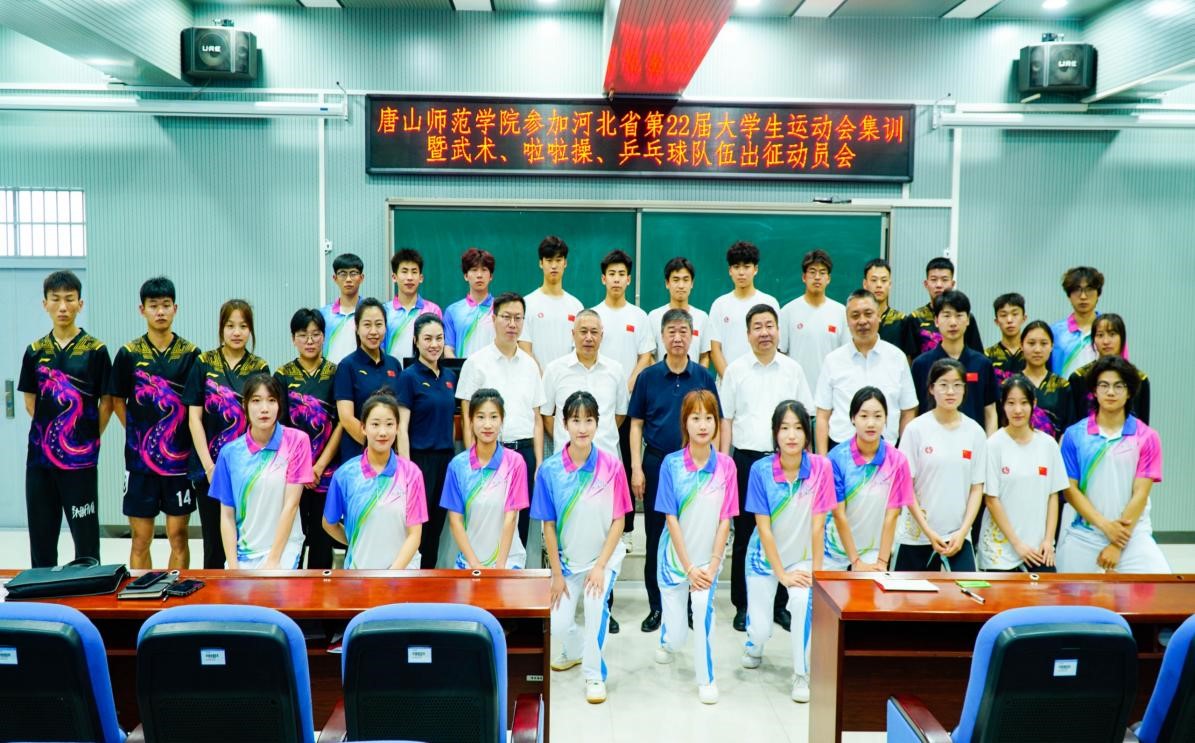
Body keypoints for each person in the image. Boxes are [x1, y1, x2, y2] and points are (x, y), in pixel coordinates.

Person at [718, 304, 813, 632]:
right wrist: (725, 464)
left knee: (785, 532)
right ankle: (743, 604)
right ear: (747, 334)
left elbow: (804, 418)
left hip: (786, 463)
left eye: (769, 325)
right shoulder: (736, 370)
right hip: (746, 462)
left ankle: (779, 604)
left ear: (778, 331)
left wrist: (806, 462)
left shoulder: (793, 369)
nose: (764, 332)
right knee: (745, 534)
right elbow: (726, 420)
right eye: (757, 327)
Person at [534, 390, 632, 705]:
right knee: (559, 624)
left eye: (589, 420)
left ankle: (593, 675)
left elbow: (619, 520)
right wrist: (556, 574)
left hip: (603, 559)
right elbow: (548, 525)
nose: (582, 428)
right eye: (575, 421)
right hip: (567, 563)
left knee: (594, 609)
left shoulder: (612, 466)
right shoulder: (550, 471)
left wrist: (601, 566)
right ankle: (575, 649)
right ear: (564, 424)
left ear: (597, 424)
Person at [628, 309, 720, 633]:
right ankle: (657, 606)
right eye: (672, 332)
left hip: (695, 468)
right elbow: (636, 424)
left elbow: (715, 423)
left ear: (693, 336)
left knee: (695, 536)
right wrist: (636, 467)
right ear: (662, 337)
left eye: (684, 331)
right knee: (656, 536)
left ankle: (693, 604)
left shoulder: (703, 377)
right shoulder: (648, 377)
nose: (678, 338)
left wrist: (715, 467)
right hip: (656, 465)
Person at [740, 401, 836, 705]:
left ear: (807, 433)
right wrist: (781, 574)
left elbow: (819, 526)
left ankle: (800, 673)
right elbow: (764, 529)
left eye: (797, 428)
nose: (791, 435)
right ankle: (754, 645)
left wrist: (817, 574)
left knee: (802, 602)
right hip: (763, 560)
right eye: (784, 428)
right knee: (760, 630)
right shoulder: (760, 470)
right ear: (775, 433)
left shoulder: (821, 468)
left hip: (803, 558)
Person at [19, 270, 111, 567]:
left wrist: (88, 435)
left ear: (80, 304)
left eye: (69, 299)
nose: (62, 307)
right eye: (55, 299)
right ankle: (42, 590)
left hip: (80, 461)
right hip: (40, 461)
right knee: (42, 538)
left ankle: (88, 589)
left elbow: (107, 402)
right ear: (44, 303)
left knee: (86, 541)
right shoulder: (35, 351)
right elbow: (30, 401)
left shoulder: (96, 350)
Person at [108, 277, 200, 569]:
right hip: (140, 464)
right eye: (153, 306)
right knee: (140, 538)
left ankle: (175, 593)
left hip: (179, 463)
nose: (160, 312)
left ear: (175, 308)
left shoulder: (191, 354)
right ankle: (141, 592)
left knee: (178, 536)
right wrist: (137, 433)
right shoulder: (129, 353)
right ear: (142, 310)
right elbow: (117, 400)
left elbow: (196, 406)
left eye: (165, 305)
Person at [654, 390, 738, 705]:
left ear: (717, 423)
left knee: (702, 611)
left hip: (708, 562)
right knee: (676, 640)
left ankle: (707, 679)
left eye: (709, 418)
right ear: (685, 423)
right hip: (674, 562)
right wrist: (688, 568)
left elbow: (725, 520)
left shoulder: (727, 466)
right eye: (696, 418)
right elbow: (671, 519)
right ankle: (667, 636)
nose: (703, 425)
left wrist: (712, 565)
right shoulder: (671, 464)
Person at [1056, 356, 1167, 573]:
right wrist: (1106, 527)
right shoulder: (1074, 435)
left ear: (1129, 392)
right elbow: (1070, 490)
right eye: (1104, 385)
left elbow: (1141, 493)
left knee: (1162, 588)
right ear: (1094, 391)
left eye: (1119, 386)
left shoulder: (1147, 436)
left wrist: (1117, 544)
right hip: (1085, 535)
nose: (1110, 392)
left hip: (1133, 535)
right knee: (1066, 593)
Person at [185, 299, 271, 569]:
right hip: (208, 469)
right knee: (213, 547)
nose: (237, 332)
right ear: (221, 328)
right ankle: (214, 596)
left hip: (248, 468)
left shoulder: (259, 366)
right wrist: (209, 467)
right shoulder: (203, 362)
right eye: (230, 326)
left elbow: (263, 419)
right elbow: (194, 418)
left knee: (247, 541)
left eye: (243, 326)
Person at [456, 292, 545, 550]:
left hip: (524, 453)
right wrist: (472, 458)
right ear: (493, 318)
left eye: (518, 318)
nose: (512, 324)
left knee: (520, 525)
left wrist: (538, 462)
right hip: (488, 453)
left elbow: (537, 418)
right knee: (485, 524)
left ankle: (513, 571)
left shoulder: (530, 365)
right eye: (506, 317)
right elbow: (467, 416)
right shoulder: (476, 363)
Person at [210, 373, 311, 570]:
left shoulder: (297, 441)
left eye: (271, 400)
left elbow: (291, 505)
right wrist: (233, 566)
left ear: (279, 405)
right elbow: (227, 515)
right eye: (256, 401)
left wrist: (273, 561)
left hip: (283, 549)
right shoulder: (230, 453)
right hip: (243, 552)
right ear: (245, 405)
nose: (264, 409)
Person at [894, 359, 987, 572]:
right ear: (931, 388)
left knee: (970, 592)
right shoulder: (915, 429)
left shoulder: (975, 432)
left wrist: (963, 532)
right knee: (905, 593)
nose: (950, 391)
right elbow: (906, 485)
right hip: (916, 536)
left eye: (957, 385)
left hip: (957, 537)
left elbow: (976, 488)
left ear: (964, 389)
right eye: (943, 384)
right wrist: (928, 532)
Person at [592, 249, 654, 553]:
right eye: (611, 274)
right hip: (599, 407)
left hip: (630, 405)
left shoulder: (638, 316)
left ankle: (627, 529)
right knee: (597, 466)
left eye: (621, 274)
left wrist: (628, 383)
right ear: (603, 278)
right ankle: (599, 524)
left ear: (629, 280)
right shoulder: (593, 315)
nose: (616, 279)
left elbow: (646, 355)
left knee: (627, 468)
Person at [323, 391, 427, 569]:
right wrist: (357, 540)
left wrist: (391, 574)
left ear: (397, 427)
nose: (383, 432)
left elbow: (415, 535)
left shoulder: (411, 473)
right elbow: (329, 523)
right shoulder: (345, 475)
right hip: (359, 572)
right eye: (375, 424)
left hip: (402, 573)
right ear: (363, 427)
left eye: (389, 424)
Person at [274, 308, 343, 569]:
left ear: (324, 336)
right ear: (294, 339)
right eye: (303, 335)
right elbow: (280, 426)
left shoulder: (335, 373)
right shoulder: (282, 375)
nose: (310, 341)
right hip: (293, 474)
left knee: (322, 543)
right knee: (293, 540)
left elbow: (340, 423)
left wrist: (319, 466)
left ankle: (320, 593)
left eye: (315, 334)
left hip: (326, 472)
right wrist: (302, 469)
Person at [976, 376, 1067, 573]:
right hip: (999, 552)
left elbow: (1053, 496)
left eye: (1024, 403)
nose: (1018, 410)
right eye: (1011, 403)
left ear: (1034, 403)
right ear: (1003, 405)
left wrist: (1048, 541)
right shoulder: (993, 445)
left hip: (1039, 549)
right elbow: (991, 500)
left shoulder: (1048, 445)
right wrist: (1017, 544)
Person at [815, 290, 918, 455]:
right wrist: (823, 460)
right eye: (855, 316)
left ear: (878, 316)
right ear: (847, 320)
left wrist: (902, 457)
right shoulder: (832, 360)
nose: (862, 321)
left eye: (868, 314)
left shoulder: (897, 358)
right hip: (841, 453)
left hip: (887, 453)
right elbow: (822, 415)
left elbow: (908, 411)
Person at [823, 387, 914, 573]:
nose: (871, 423)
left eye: (878, 416)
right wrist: (855, 562)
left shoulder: (897, 461)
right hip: (834, 548)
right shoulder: (836, 459)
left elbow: (892, 515)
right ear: (852, 418)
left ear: (886, 419)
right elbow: (838, 514)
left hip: (872, 548)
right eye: (863, 416)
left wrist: (882, 561)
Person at [441, 389, 529, 569]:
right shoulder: (457, 466)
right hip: (470, 562)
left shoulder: (515, 462)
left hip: (508, 561)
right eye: (480, 417)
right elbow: (455, 521)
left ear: (502, 420)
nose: (487, 424)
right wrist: (475, 564)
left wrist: (500, 568)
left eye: (494, 417)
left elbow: (511, 518)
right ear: (471, 421)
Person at [396, 313, 457, 569]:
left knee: (436, 530)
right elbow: (401, 428)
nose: (434, 344)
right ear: (416, 341)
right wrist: (407, 470)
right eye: (428, 338)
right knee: (416, 528)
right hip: (419, 461)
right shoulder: (408, 377)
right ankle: (411, 581)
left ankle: (429, 579)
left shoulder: (449, 376)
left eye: (439, 338)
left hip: (445, 461)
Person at [541, 309, 628, 457]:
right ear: (573, 334)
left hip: (605, 458)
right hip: (566, 459)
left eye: (594, 332)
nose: (589, 337)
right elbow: (546, 415)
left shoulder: (616, 370)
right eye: (583, 332)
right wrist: (568, 439)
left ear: (601, 336)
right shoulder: (554, 369)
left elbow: (620, 414)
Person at [911, 290, 998, 434]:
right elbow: (913, 410)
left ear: (968, 320)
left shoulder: (982, 364)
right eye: (946, 315)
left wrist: (988, 444)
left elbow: (990, 412)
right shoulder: (921, 364)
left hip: (972, 442)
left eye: (959, 316)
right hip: (930, 443)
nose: (953, 322)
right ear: (936, 320)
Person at [334, 298, 403, 464]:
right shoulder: (347, 366)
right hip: (357, 455)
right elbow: (346, 418)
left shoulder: (394, 364)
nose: (373, 331)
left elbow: (399, 412)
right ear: (357, 328)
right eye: (367, 325)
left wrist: (389, 447)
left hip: (390, 456)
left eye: (379, 324)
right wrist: (375, 446)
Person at [706, 241, 780, 378]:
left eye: (746, 267)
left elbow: (775, 344)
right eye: (736, 267)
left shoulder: (769, 303)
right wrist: (729, 380)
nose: (741, 273)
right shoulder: (720, 305)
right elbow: (715, 349)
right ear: (730, 270)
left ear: (755, 269)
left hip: (762, 380)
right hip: (728, 381)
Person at [779, 249, 847, 391]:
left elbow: (846, 356)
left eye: (822, 273)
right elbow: (781, 355)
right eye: (812, 272)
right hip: (796, 393)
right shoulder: (788, 311)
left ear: (828, 278)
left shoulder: (841, 312)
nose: (817, 277)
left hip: (831, 391)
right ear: (804, 277)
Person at [1068, 314, 1149, 425]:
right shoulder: (1079, 378)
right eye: (1100, 335)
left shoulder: (1139, 379)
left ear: (1122, 338)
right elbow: (1073, 423)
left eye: (1112, 334)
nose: (1106, 341)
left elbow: (1143, 425)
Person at [519, 235, 584, 371]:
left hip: (568, 379)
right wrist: (542, 378)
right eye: (549, 260)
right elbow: (525, 349)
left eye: (558, 260)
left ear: (565, 263)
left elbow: (578, 350)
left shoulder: (576, 306)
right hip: (536, 379)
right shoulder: (527, 303)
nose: (554, 266)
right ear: (541, 263)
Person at [906, 257, 983, 356]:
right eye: (934, 280)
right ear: (926, 284)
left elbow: (976, 354)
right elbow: (910, 358)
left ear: (952, 284)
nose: (939, 285)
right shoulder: (915, 318)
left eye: (944, 280)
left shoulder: (965, 317)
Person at [647, 257, 709, 365]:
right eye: (676, 280)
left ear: (692, 283)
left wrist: (696, 375)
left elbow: (705, 356)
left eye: (686, 280)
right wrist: (659, 375)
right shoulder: (654, 316)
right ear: (667, 283)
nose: (681, 286)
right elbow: (649, 355)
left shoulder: (702, 317)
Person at [384, 248, 442, 363]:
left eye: (414, 272)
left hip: (424, 372)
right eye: (404, 271)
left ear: (421, 278)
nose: (409, 277)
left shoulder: (433, 310)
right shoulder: (385, 311)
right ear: (394, 277)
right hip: (392, 372)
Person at [1018, 321, 1074, 441]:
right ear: (1021, 345)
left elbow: (1068, 427)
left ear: (1052, 346)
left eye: (1044, 343)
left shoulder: (1062, 386)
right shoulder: (1012, 384)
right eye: (1031, 343)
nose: (1037, 349)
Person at [1050, 265, 1104, 379]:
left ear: (1098, 294)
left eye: (1089, 289)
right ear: (1068, 295)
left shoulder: (1110, 330)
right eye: (1077, 290)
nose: (1083, 296)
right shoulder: (1055, 332)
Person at [444, 247, 496, 358]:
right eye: (474, 270)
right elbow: (448, 349)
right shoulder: (452, 311)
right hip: (462, 369)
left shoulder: (500, 309)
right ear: (466, 276)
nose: (479, 275)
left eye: (484, 270)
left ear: (491, 276)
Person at [320, 252, 364, 364]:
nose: (348, 279)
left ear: (361, 278)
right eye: (343, 274)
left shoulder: (369, 312)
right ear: (335, 278)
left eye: (353, 273)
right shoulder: (324, 314)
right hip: (331, 373)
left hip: (361, 373)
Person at [861, 258, 912, 355]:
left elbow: (908, 358)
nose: (879, 285)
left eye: (884, 280)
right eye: (874, 280)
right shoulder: (858, 321)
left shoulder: (901, 321)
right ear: (865, 284)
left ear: (890, 284)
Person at [985, 293, 1026, 384]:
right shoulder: (987, 356)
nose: (1009, 320)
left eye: (1015, 314)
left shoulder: (1032, 353)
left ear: (1024, 318)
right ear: (996, 321)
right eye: (1003, 315)